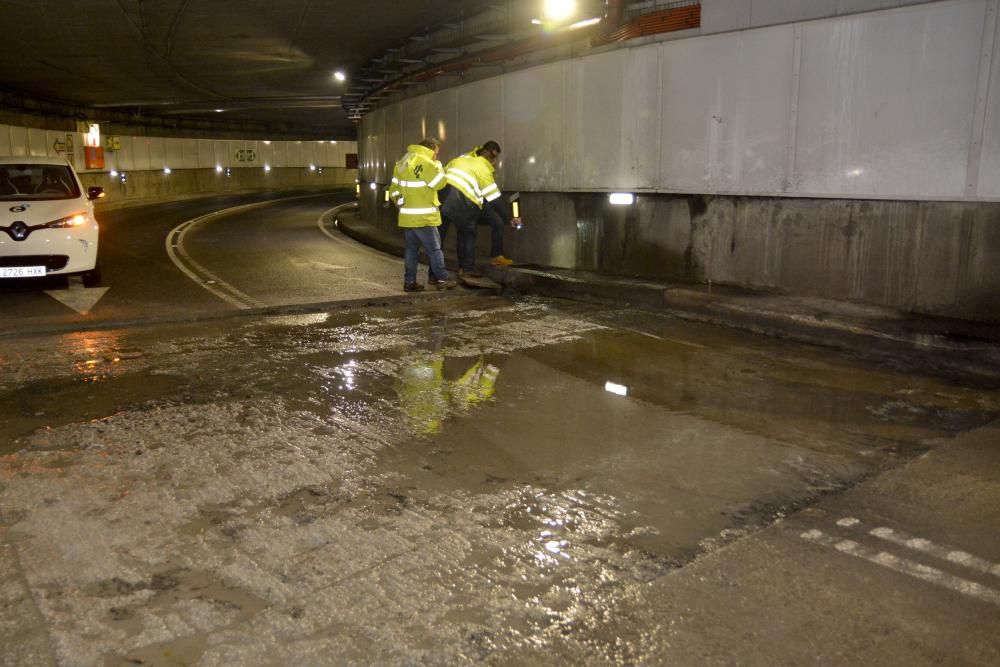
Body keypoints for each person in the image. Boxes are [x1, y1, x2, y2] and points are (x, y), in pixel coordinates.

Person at [438, 141, 521, 277]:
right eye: (494, 160)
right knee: (469, 232)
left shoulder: (463, 158)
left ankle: (439, 274)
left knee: (442, 236)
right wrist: (510, 218)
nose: (494, 164)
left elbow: (444, 173)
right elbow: (494, 198)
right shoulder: (482, 167)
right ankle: (468, 269)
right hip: (465, 200)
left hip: (443, 197)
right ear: (489, 155)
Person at [388, 137, 457, 292]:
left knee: (411, 250)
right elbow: (440, 183)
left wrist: (401, 203)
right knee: (434, 250)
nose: (436, 157)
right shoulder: (427, 163)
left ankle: (410, 282)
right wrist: (438, 166)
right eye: (436, 153)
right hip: (424, 218)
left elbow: (394, 189)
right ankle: (442, 278)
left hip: (407, 217)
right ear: (431, 149)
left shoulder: (402, 162)